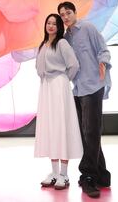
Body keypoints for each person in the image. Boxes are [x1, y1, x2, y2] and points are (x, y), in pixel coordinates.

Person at [58, 1, 112, 199]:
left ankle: (87, 175)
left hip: (93, 85)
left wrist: (103, 63)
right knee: (85, 133)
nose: (65, 17)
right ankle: (102, 174)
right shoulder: (65, 39)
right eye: (62, 15)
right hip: (78, 89)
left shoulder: (88, 28)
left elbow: (103, 49)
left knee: (91, 131)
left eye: (68, 13)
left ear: (75, 12)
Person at [34, 14, 83, 191]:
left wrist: (63, 79)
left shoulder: (62, 43)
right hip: (46, 87)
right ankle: (54, 173)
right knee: (51, 127)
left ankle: (64, 174)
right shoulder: (43, 44)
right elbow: (39, 68)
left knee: (61, 126)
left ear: (59, 27)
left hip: (59, 86)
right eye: (48, 23)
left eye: (54, 23)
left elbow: (74, 65)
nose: (51, 26)